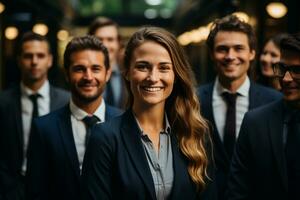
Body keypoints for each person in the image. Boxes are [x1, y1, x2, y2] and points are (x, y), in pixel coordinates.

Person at [81, 26, 216, 200]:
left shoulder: (196, 134)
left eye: (164, 68)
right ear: (127, 72)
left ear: (176, 75)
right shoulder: (105, 137)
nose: (153, 77)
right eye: (143, 66)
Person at [25, 35, 122, 200]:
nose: (88, 77)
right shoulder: (43, 128)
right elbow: (36, 192)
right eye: (79, 69)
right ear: (67, 74)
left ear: (107, 74)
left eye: (96, 69)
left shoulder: (126, 123)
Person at [197, 15, 282, 200]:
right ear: (211, 54)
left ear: (252, 53)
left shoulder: (276, 102)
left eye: (239, 48)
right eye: (222, 49)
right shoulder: (192, 101)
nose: (230, 56)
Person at [227, 33, 300, 200]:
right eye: (282, 69)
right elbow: (238, 190)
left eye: (297, 70)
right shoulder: (255, 122)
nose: (286, 79)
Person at [0, 32, 69, 200]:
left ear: (50, 60)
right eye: (28, 56)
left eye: (40, 55)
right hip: (13, 191)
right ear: (19, 60)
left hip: (55, 190)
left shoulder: (67, 101)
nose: (34, 61)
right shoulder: (3, 102)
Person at [88, 17, 127, 109]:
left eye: (110, 39)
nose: (105, 45)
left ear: (118, 43)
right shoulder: (83, 75)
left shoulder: (129, 74)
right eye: (99, 39)